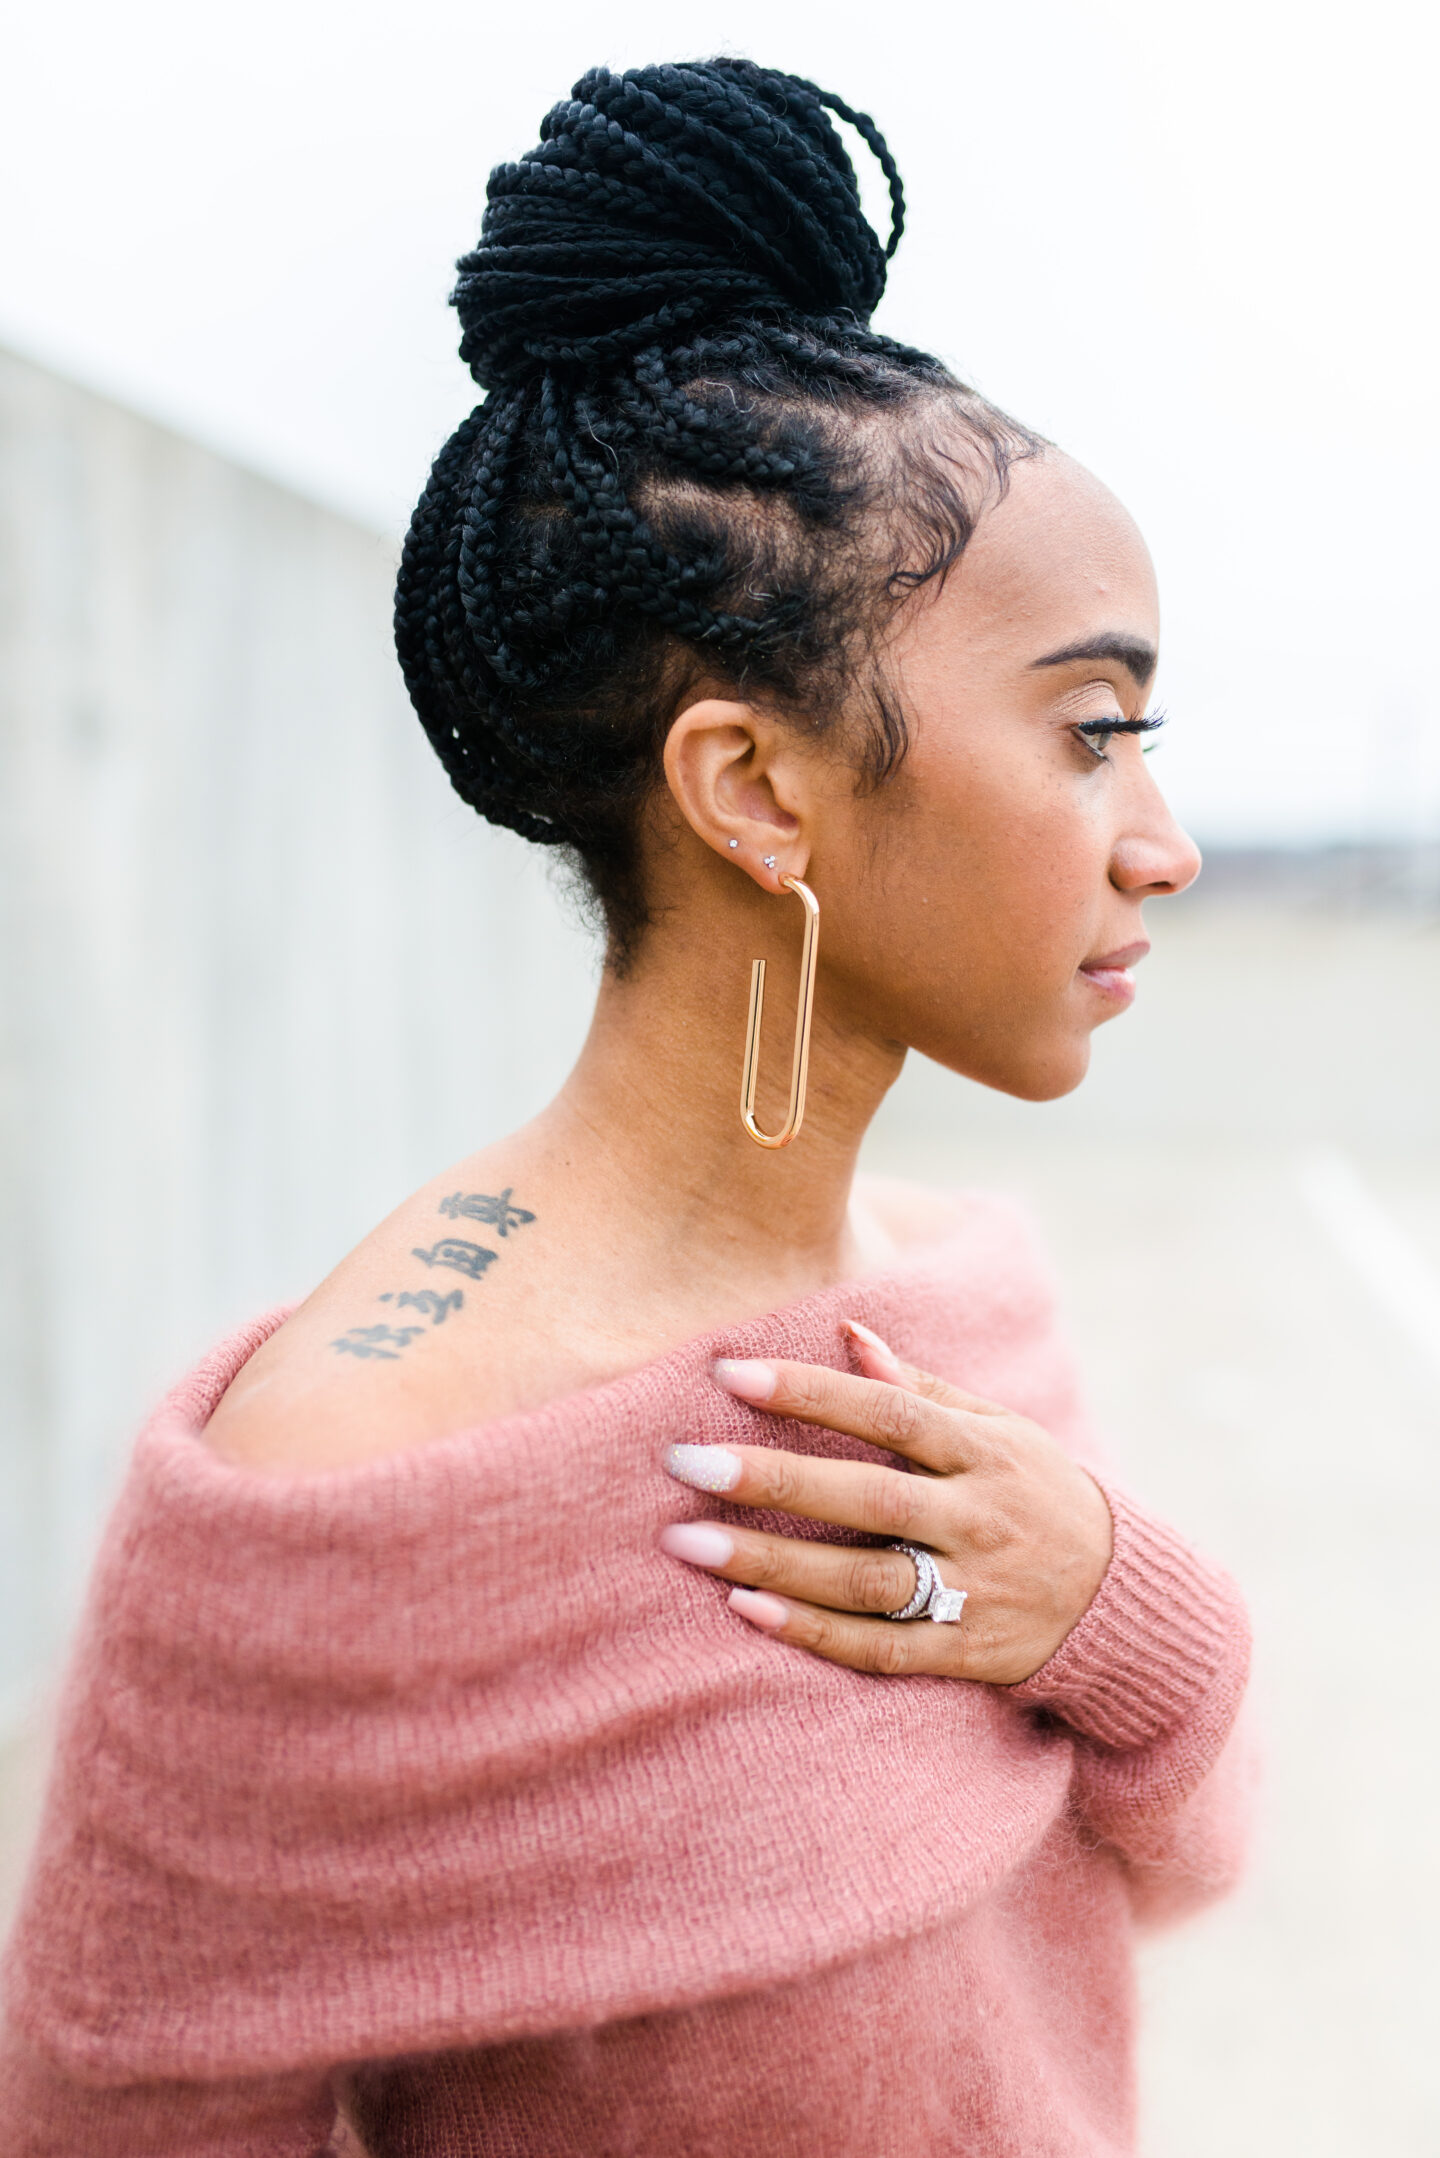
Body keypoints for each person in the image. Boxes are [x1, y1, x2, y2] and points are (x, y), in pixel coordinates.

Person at [2, 58, 1250, 2158]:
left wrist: (1117, 1600)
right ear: (756, 787)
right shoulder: (345, 1484)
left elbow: (1183, 1856)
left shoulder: (965, 1292)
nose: (1163, 841)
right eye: (1093, 732)